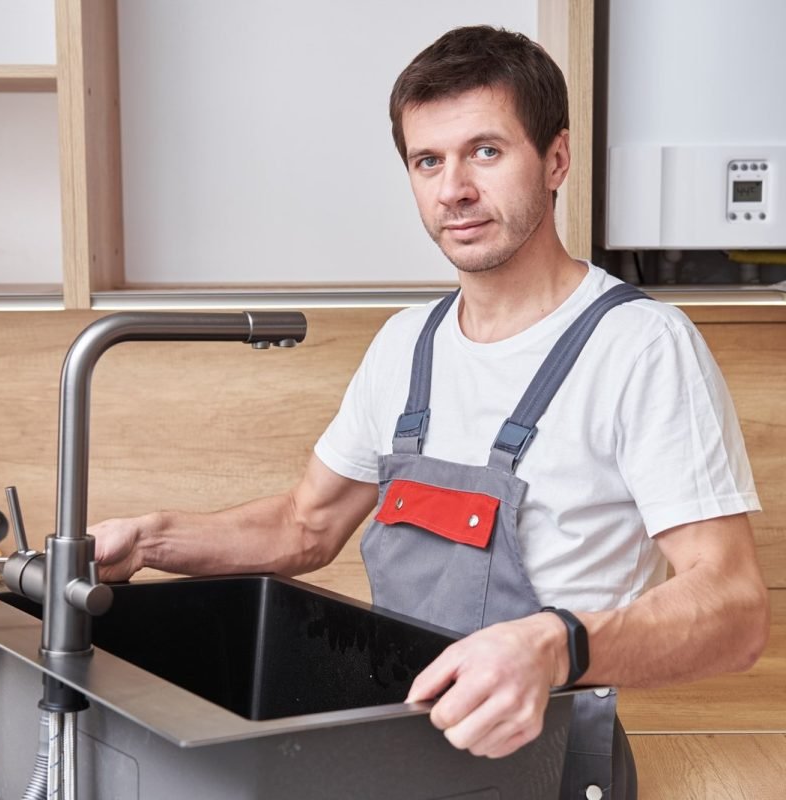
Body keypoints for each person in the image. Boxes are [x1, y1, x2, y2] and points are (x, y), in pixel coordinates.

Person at [91, 26, 769, 799]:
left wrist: (554, 646)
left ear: (556, 159)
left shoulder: (641, 347)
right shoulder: (405, 345)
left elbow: (735, 610)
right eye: (428, 161)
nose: (454, 189)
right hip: (398, 751)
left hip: (548, 765)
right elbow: (304, 525)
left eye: (486, 151)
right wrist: (149, 538)